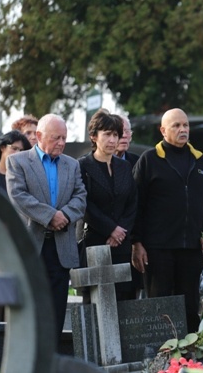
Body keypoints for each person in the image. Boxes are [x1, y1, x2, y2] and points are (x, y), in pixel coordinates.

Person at [131, 108, 203, 331]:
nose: (183, 130)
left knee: (190, 307)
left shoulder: (200, 161)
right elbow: (136, 204)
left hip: (190, 249)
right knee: (159, 307)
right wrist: (137, 243)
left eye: (185, 125)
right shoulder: (149, 160)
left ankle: (190, 357)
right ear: (163, 130)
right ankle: (160, 359)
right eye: (176, 126)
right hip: (158, 249)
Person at [6, 113, 87, 342]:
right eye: (56, 138)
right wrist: (51, 216)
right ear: (39, 136)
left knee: (57, 311)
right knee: (30, 308)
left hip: (61, 248)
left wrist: (65, 216)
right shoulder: (18, 161)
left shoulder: (72, 165)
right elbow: (18, 196)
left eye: (64, 137)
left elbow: (80, 197)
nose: (61, 143)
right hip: (32, 246)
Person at [79, 110, 137, 301]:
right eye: (107, 134)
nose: (112, 140)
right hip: (95, 242)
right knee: (95, 301)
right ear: (94, 137)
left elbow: (132, 203)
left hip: (122, 244)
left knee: (124, 300)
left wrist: (121, 232)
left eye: (115, 135)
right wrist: (111, 229)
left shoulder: (125, 167)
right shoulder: (83, 166)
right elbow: (84, 204)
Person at [0, 130, 32, 320]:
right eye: (14, 148)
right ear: (3, 148)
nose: (17, 153)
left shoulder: (24, 179)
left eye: (22, 150)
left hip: (19, 245)